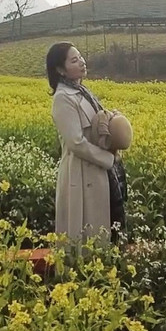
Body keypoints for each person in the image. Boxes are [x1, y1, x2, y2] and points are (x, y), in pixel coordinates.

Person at [46, 41, 126, 242]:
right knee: (86, 232)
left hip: (98, 170)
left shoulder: (83, 92)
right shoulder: (63, 98)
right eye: (74, 60)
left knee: (108, 225)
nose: (82, 62)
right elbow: (76, 143)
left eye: (80, 57)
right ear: (60, 70)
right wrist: (108, 159)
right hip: (81, 173)